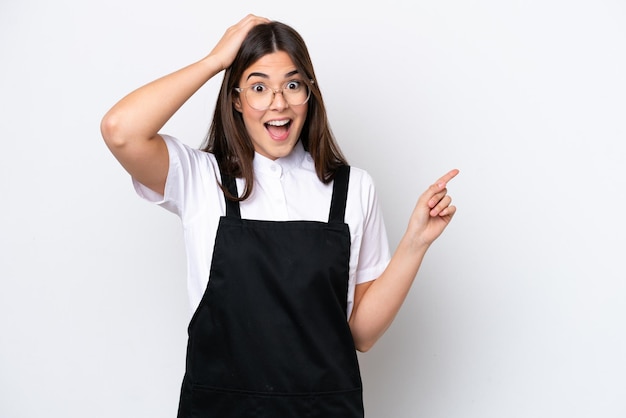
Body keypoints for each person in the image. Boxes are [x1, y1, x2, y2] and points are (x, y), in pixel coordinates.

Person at [101, 14, 458, 418]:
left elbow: (360, 334)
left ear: (309, 93)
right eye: (258, 87)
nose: (278, 102)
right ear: (236, 100)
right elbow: (120, 130)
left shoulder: (352, 189)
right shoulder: (202, 179)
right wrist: (215, 60)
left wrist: (415, 242)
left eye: (292, 84)